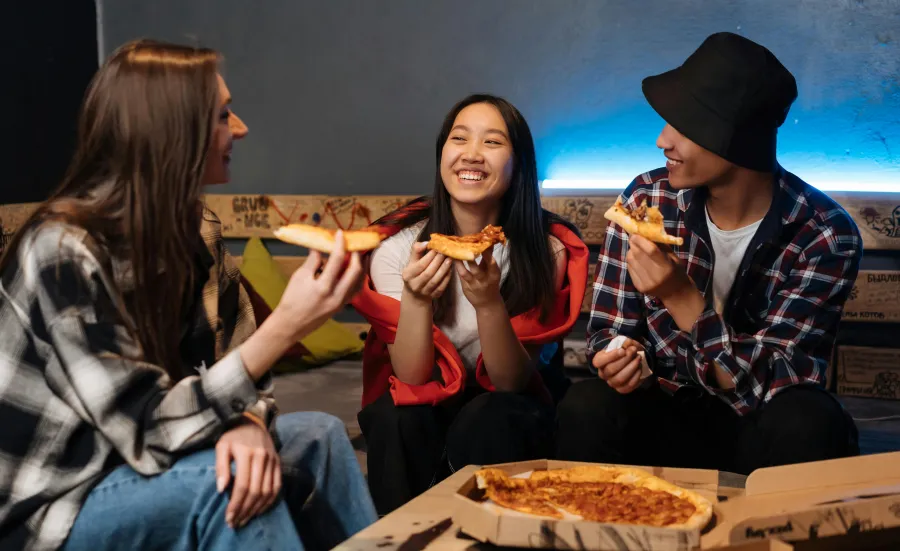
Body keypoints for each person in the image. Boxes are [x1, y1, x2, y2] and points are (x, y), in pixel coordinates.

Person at [0, 39, 375, 551]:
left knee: (322, 439)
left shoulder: (198, 235)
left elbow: (232, 376)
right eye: (223, 116)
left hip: (151, 459)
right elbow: (147, 425)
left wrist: (244, 420)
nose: (239, 128)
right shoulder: (62, 252)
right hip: (57, 504)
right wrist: (286, 326)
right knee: (226, 487)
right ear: (173, 134)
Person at [556, 32, 862, 474]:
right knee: (586, 402)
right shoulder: (648, 199)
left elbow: (770, 384)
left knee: (809, 418)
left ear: (737, 140)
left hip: (754, 430)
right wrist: (623, 357)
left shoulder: (825, 235)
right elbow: (609, 331)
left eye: (684, 125)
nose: (663, 140)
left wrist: (680, 295)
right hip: (662, 415)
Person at [352, 94, 589, 514]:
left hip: (507, 404)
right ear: (442, 152)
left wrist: (489, 304)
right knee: (395, 417)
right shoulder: (398, 249)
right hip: (427, 396)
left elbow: (514, 383)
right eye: (459, 138)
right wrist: (416, 298)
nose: (472, 155)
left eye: (493, 143)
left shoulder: (546, 252)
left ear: (519, 163)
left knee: (492, 414)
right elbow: (411, 376)